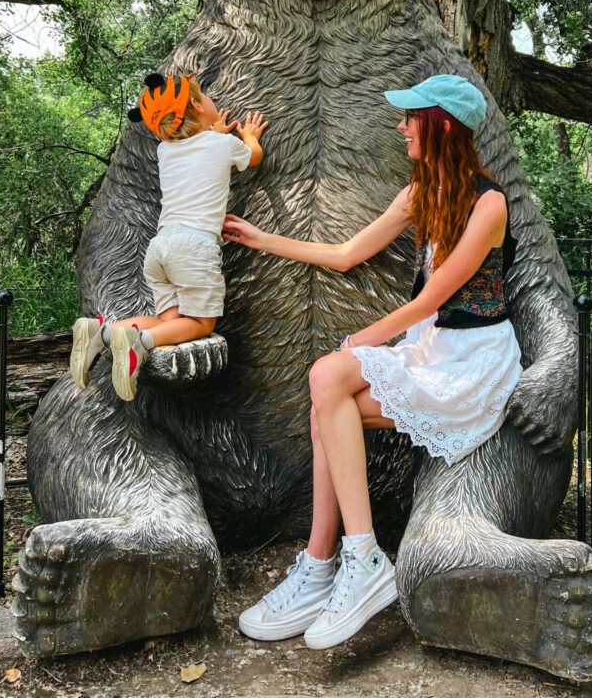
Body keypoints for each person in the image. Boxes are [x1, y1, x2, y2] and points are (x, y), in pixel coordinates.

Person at [222, 74, 522, 650]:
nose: (402, 126)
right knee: (326, 406)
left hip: (473, 361)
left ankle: (356, 559)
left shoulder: (490, 204)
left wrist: (361, 340)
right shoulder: (420, 193)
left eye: (412, 117)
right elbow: (345, 255)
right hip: (431, 350)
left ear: (442, 125)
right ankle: (323, 565)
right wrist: (263, 240)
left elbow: (432, 299)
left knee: (327, 377)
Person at [70, 73, 268, 400]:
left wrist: (211, 132)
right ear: (195, 103)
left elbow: (195, 153)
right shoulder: (223, 144)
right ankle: (137, 344)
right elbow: (254, 157)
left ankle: (101, 333)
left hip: (159, 249)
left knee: (169, 325)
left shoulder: (165, 151)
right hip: (194, 248)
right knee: (201, 325)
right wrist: (248, 136)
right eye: (205, 96)